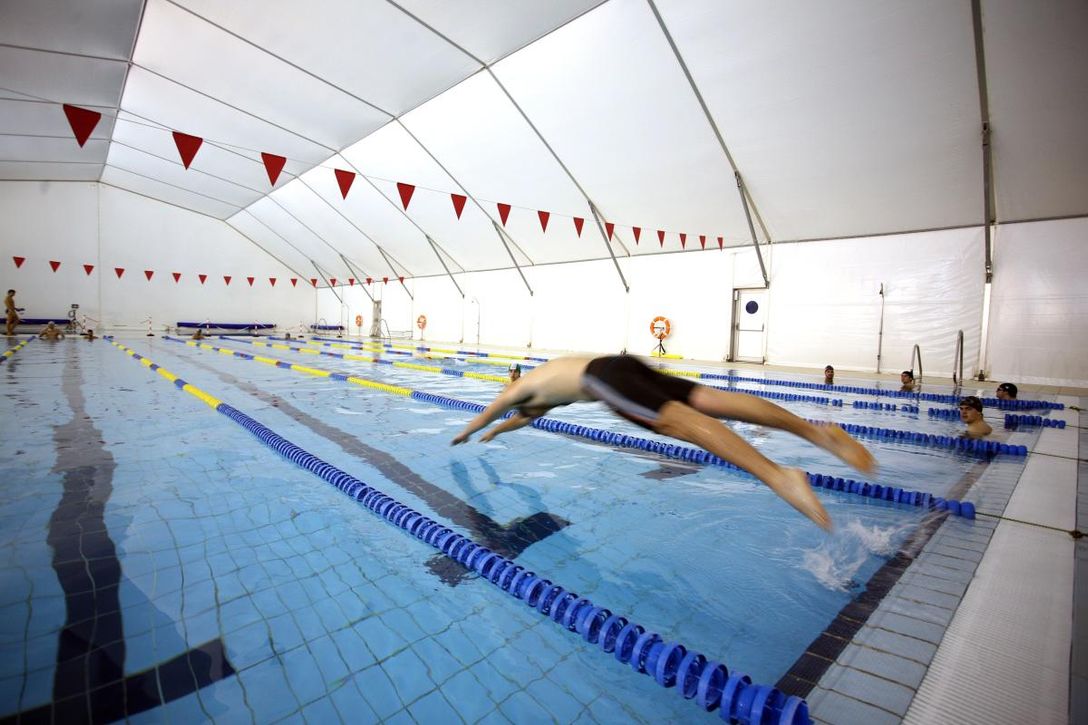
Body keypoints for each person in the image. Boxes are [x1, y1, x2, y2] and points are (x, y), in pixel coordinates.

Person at [452, 355, 877, 530]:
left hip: (601, 380)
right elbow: (518, 420)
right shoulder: (541, 387)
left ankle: (780, 477)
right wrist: (494, 432)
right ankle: (817, 433)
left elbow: (497, 407)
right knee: (713, 400)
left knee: (681, 424)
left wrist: (471, 429)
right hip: (621, 364)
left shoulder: (519, 387)